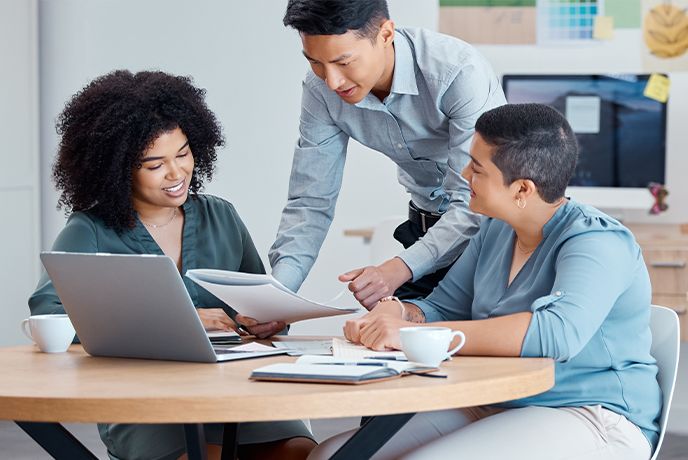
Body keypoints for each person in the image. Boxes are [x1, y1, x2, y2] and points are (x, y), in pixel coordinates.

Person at [311, 103, 662, 460]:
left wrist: (409, 336)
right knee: (332, 456)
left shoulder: (597, 241)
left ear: (522, 189)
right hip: (495, 399)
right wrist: (396, 313)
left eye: (477, 169)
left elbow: (556, 333)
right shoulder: (495, 229)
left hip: (592, 414)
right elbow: (443, 308)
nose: (464, 175)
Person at [28, 70, 316, 460]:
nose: (177, 173)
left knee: (303, 453)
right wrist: (181, 322)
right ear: (117, 169)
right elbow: (52, 316)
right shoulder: (89, 231)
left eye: (182, 154)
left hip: (237, 390)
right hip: (147, 405)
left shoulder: (221, 216)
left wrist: (269, 318)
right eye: (154, 164)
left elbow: (260, 299)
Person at [269, 0, 506, 308]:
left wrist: (398, 269)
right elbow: (310, 201)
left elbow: (473, 203)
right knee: (388, 339)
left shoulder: (458, 72)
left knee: (479, 347)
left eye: (343, 62)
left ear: (385, 34)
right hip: (424, 233)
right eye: (315, 62)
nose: (332, 81)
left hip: (492, 240)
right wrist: (275, 297)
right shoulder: (321, 90)